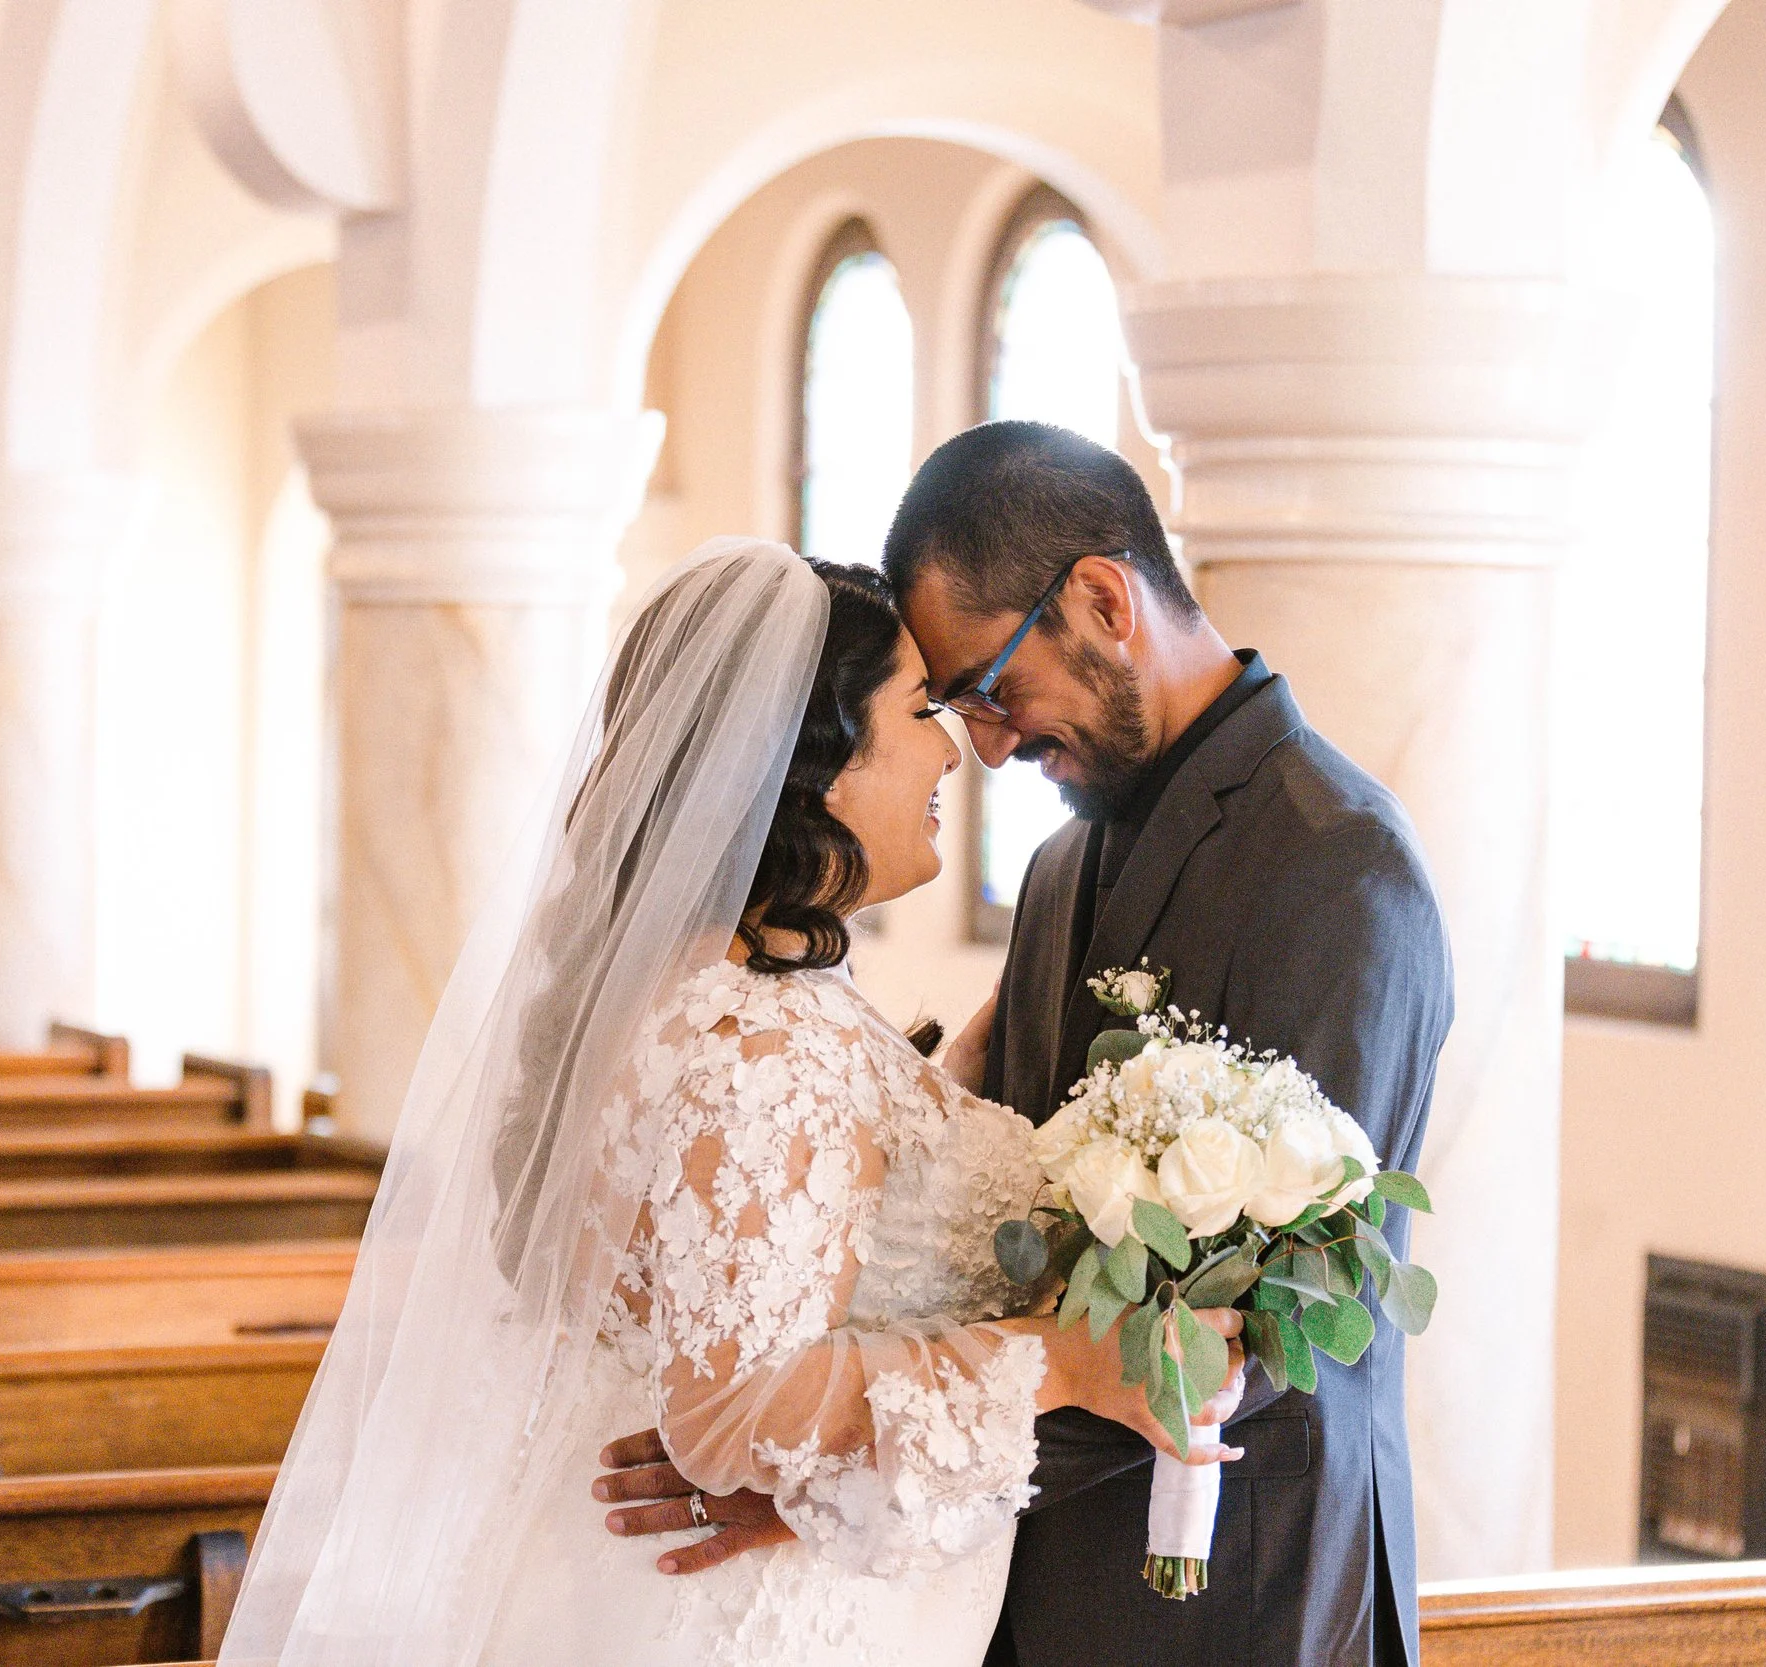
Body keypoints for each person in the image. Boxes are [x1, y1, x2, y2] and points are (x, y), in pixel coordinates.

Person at [220, 537, 1243, 1667]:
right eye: (916, 709)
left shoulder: (721, 993)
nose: (952, 749)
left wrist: (973, 1056)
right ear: (814, 765)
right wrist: (1062, 1358)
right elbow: (731, 1411)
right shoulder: (755, 1036)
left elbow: (820, 1203)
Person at [596, 426, 1454, 1667]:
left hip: (1234, 1577)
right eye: (946, 707)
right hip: (1022, 1580)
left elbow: (1275, 1316)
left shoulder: (1333, 864)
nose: (984, 743)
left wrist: (829, 1478)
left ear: (1103, 600)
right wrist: (807, 1441)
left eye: (991, 687)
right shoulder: (1062, 862)